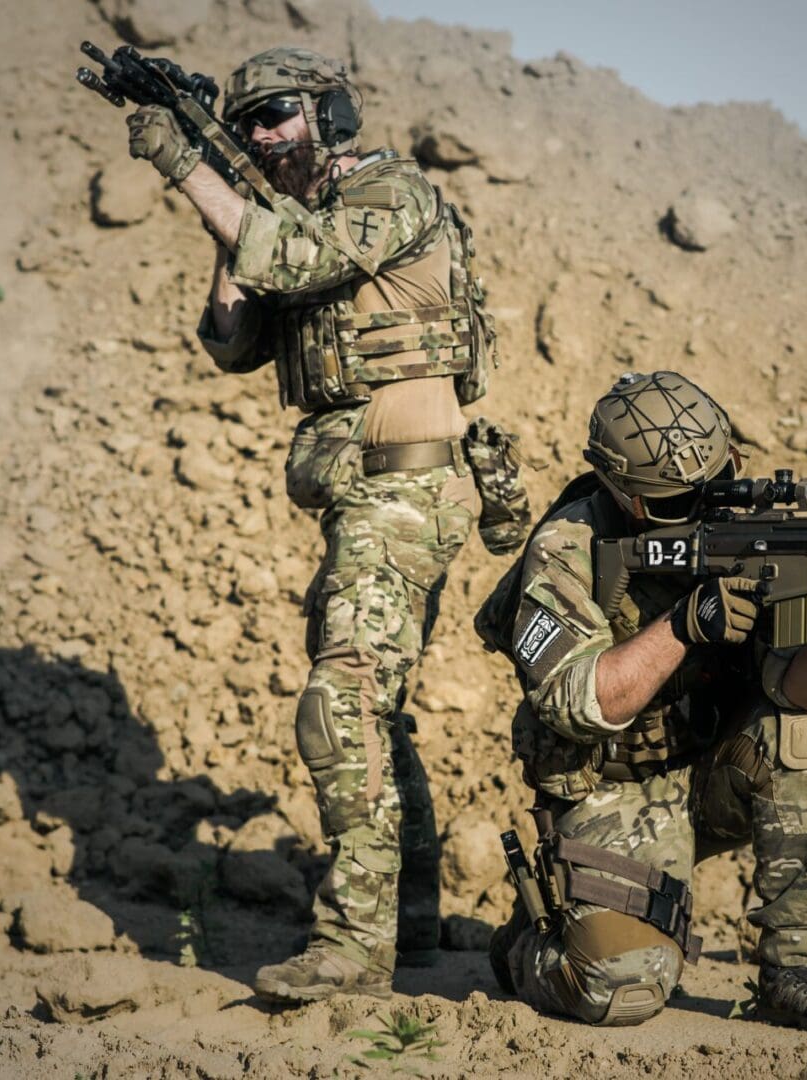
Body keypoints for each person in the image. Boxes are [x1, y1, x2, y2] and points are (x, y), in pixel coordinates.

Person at [124, 47, 497, 1003]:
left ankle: (352, 948)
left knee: (342, 702)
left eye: (278, 114)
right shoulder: (285, 218)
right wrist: (226, 218)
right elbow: (233, 341)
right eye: (245, 121)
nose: (259, 133)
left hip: (405, 484)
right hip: (362, 494)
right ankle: (407, 923)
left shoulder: (389, 192)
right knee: (372, 705)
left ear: (329, 114)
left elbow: (298, 258)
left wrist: (187, 167)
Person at [486, 371, 807, 1032]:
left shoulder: (755, 533)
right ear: (621, 495)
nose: (704, 507)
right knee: (616, 991)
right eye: (675, 501)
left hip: (713, 779)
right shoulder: (565, 546)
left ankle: (793, 970)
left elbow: (799, 691)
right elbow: (575, 703)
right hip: (612, 794)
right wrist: (686, 624)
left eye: (718, 481)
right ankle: (527, 945)